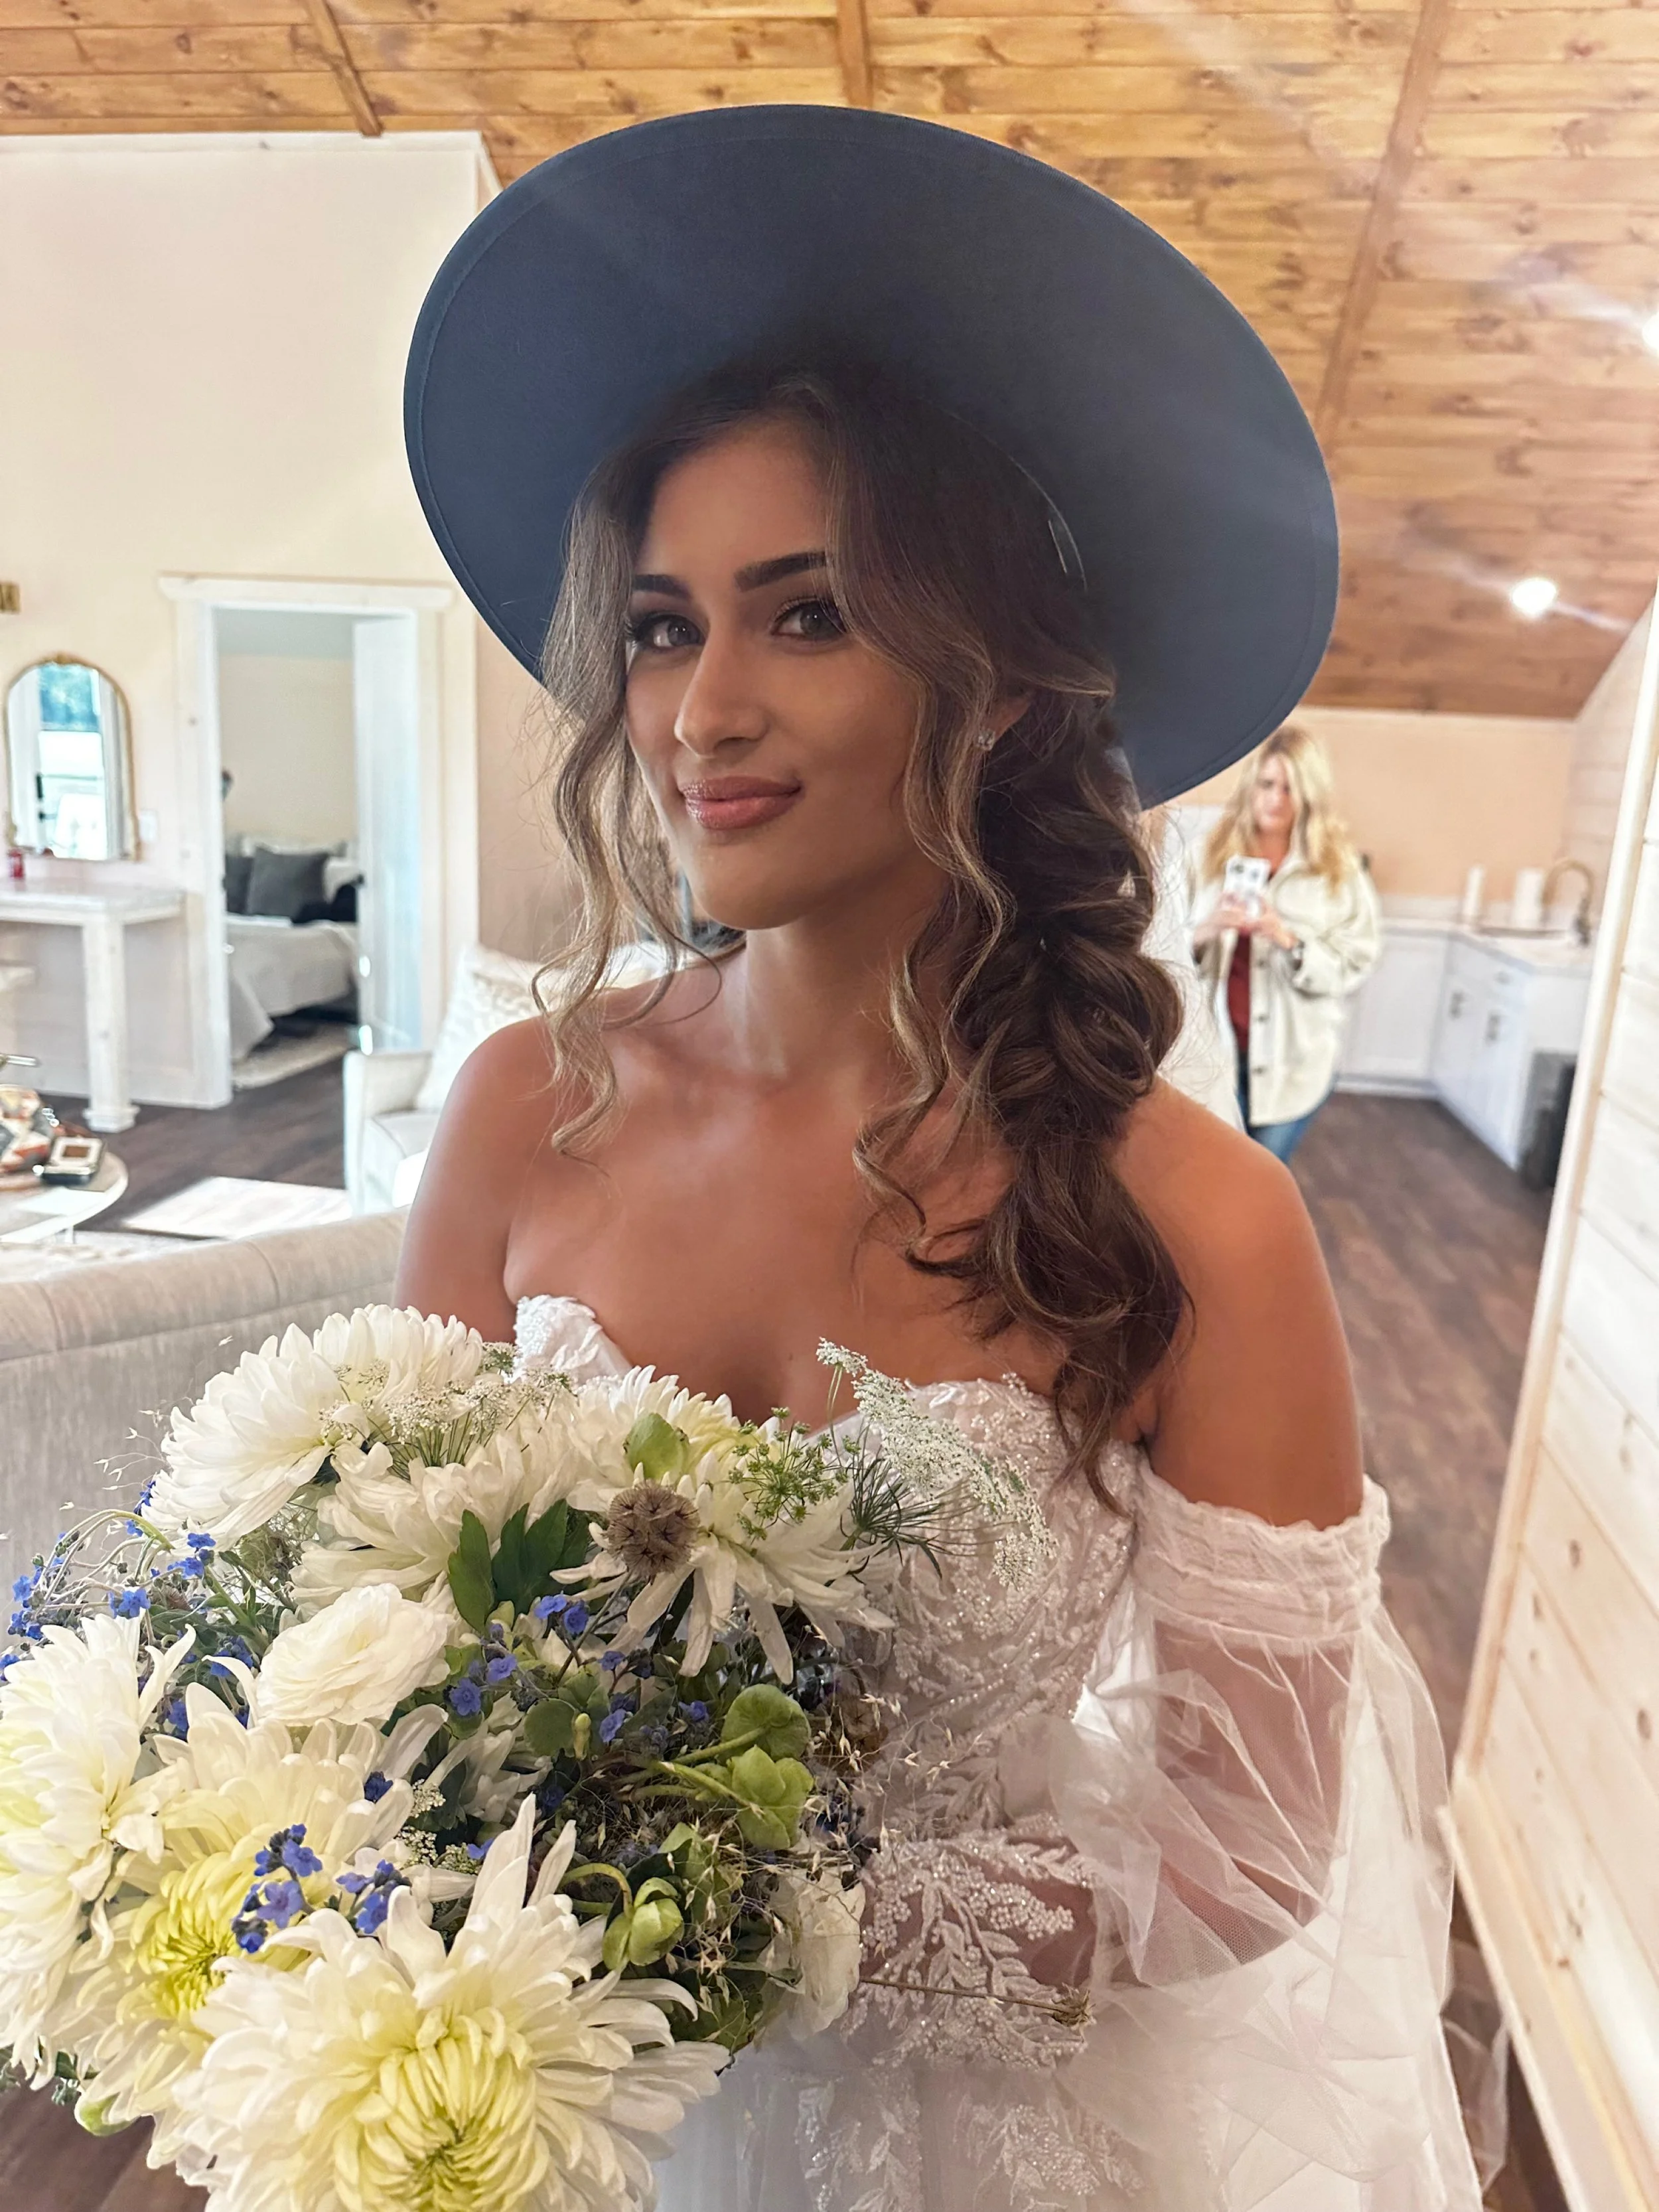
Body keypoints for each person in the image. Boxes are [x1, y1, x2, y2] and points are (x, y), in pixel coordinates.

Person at [397, 109, 1481, 2210]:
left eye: (803, 617)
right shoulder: (526, 1106)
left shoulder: (1196, 1220)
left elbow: (1250, 1851)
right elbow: (397, 1613)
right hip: (524, 2108)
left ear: (993, 692)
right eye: (656, 624)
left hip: (962, 2139)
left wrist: (776, 1930)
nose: (701, 706)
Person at [1190, 725, 1382, 1162]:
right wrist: (1206, 929)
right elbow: (1160, 948)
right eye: (1268, 784)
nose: (1277, 799)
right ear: (1251, 786)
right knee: (1216, 1179)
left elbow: (1357, 960)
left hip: (1294, 1062)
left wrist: (1287, 939)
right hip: (1213, 1054)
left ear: (1311, 794)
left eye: (1291, 788)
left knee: (1263, 1179)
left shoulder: (1338, 869)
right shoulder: (1206, 855)